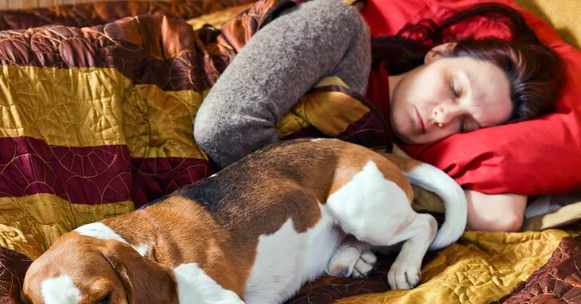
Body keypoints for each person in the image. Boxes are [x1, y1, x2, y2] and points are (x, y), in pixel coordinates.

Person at [193, 0, 564, 232]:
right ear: (439, 52)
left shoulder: (380, 150)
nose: (442, 117)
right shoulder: (341, 29)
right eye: (454, 88)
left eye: (465, 124)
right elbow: (225, 129)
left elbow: (501, 216)